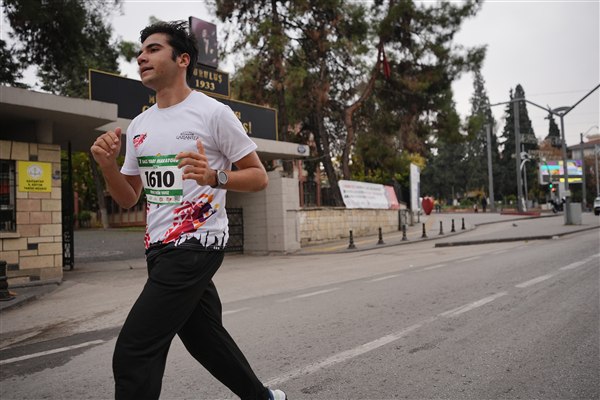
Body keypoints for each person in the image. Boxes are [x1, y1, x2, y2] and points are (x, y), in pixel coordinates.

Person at [90, 21, 286, 400]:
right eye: (140, 51)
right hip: (158, 249)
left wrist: (215, 176)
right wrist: (108, 166)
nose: (141, 57)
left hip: (197, 244)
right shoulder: (140, 125)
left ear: (183, 60)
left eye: (153, 49)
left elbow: (259, 177)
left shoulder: (213, 113)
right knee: (204, 339)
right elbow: (129, 198)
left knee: (134, 351)